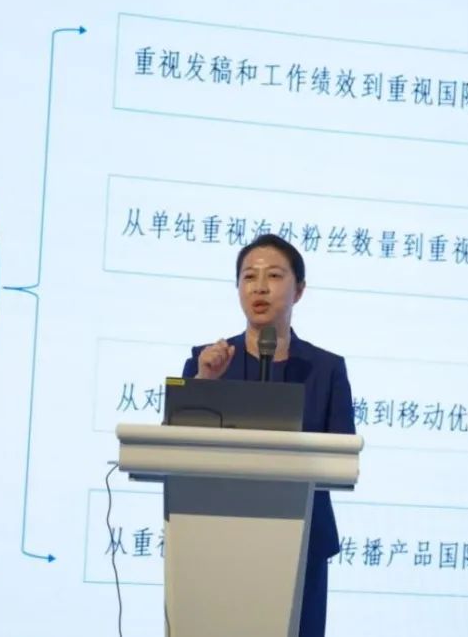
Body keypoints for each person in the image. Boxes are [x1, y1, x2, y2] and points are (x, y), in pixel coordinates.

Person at [181, 233, 355, 637]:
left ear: (300, 290)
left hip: (302, 540)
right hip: (217, 540)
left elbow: (343, 458)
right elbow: (175, 449)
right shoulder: (207, 361)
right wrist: (205, 381)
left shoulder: (326, 369)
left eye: (274, 276)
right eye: (248, 277)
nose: (259, 287)